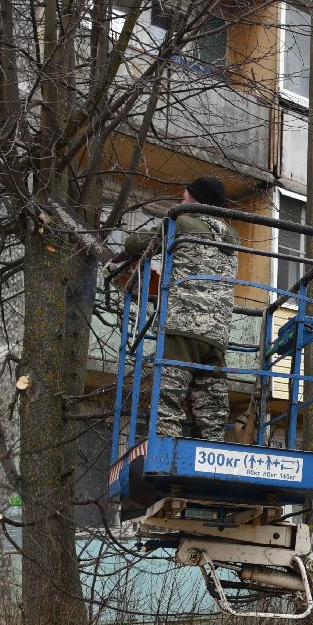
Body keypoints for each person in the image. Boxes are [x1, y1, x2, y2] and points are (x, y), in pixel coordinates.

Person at [120, 176, 240, 440]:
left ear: (196, 200)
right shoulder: (233, 237)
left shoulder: (180, 221)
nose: (180, 201)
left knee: (167, 403)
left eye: (184, 197)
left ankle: (163, 454)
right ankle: (214, 459)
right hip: (217, 337)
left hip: (183, 328)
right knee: (212, 413)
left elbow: (133, 245)